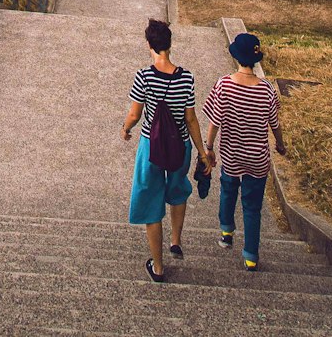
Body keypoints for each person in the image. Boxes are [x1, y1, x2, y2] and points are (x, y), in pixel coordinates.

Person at [122, 17, 212, 283]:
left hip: (152, 146)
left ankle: (158, 267)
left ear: (149, 44)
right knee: (177, 188)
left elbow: (135, 113)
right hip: (180, 145)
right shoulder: (186, 78)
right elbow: (191, 118)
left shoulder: (144, 76)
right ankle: (176, 240)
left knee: (151, 202)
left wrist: (125, 128)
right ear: (169, 45)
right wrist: (202, 151)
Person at [203, 31, 287, 272]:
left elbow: (214, 121)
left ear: (237, 58)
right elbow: (275, 123)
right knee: (252, 205)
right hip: (257, 156)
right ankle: (250, 256)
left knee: (228, 190)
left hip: (232, 152)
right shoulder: (267, 90)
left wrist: (209, 148)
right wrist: (280, 145)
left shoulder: (224, 84)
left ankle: (226, 232)